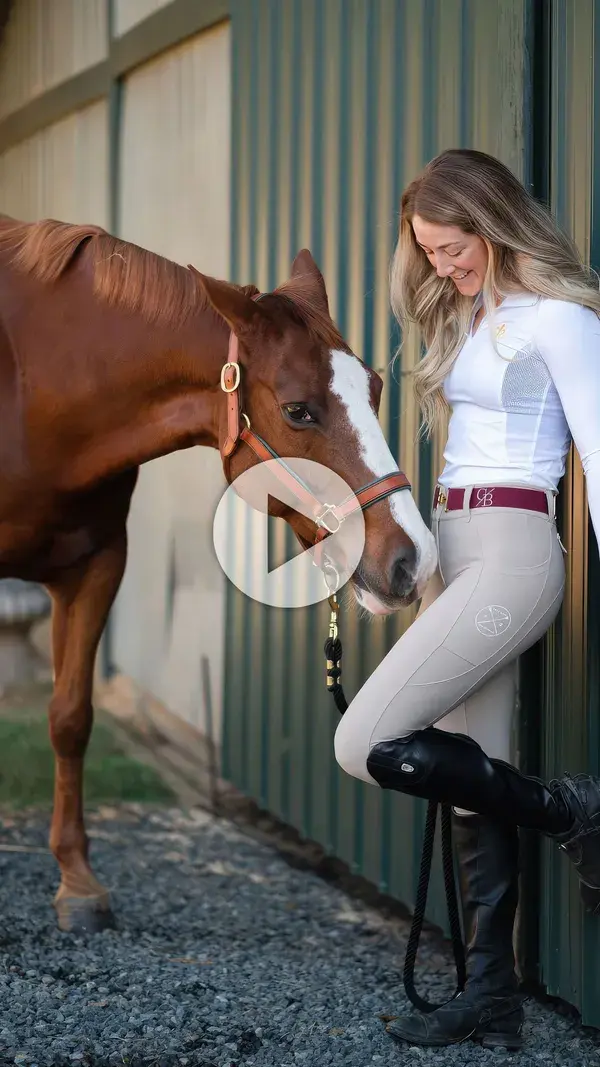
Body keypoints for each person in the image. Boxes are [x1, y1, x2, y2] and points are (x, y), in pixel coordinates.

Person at [333, 148, 600, 1051]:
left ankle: (573, 809)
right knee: (475, 777)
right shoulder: (469, 317)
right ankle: (491, 993)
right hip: (454, 547)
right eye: (430, 251)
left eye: (454, 247)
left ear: (492, 221)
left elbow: (598, 457)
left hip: (517, 554)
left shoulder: (559, 319)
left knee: (362, 741)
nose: (443, 265)